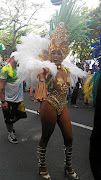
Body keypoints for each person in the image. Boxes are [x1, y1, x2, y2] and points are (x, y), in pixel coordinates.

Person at [36, 23, 79, 180]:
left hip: (63, 106)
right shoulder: (49, 69)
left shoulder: (66, 70)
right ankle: (42, 165)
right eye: (53, 52)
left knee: (69, 138)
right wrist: (42, 75)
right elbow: (43, 74)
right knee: (45, 138)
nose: (55, 55)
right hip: (50, 105)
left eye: (58, 53)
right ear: (50, 54)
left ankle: (68, 167)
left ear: (63, 54)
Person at [0, 52, 27, 144]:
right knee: (9, 118)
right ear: (11, 58)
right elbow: (0, 87)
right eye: (17, 57)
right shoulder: (5, 69)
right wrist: (3, 101)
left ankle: (10, 126)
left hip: (19, 99)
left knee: (20, 115)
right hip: (8, 100)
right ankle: (10, 133)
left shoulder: (19, 68)